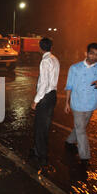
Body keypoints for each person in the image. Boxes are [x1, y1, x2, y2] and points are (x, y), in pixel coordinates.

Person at [64, 43, 97, 163]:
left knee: (81, 126)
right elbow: (69, 85)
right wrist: (67, 102)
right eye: (91, 53)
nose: (94, 56)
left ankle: (70, 140)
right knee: (81, 129)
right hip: (77, 103)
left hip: (91, 104)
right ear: (86, 53)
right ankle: (85, 156)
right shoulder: (75, 68)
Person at [29, 37, 60, 167]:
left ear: (40, 47)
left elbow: (43, 84)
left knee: (40, 127)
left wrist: (36, 101)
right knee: (45, 126)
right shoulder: (55, 59)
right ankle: (38, 150)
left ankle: (41, 155)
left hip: (45, 97)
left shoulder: (45, 61)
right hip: (53, 95)